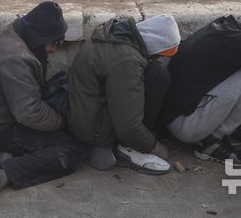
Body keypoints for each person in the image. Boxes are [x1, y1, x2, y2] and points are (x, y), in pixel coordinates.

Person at [0, 2, 86, 207]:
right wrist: (63, 122)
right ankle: (1, 172)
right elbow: (29, 113)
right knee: (71, 150)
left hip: (8, 116)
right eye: (55, 43)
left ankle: (14, 156)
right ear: (40, 37)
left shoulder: (19, 33)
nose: (54, 50)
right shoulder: (13, 57)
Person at [163, 15, 241, 167]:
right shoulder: (239, 44)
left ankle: (212, 130)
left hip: (173, 116)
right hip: (184, 125)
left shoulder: (224, 27)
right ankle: (210, 142)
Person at [68, 15, 180, 175]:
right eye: (160, 54)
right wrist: (154, 146)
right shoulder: (127, 61)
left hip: (84, 115)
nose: (158, 58)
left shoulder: (114, 34)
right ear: (155, 44)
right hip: (94, 131)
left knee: (156, 72)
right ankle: (128, 149)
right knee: (159, 75)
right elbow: (128, 126)